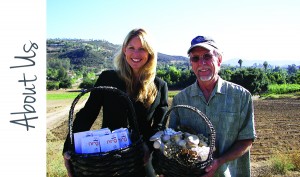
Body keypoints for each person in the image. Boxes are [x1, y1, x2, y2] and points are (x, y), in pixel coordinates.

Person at [62, 28, 168, 177]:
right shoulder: (108, 78)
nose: (136, 54)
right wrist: (69, 147)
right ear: (124, 50)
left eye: (142, 49)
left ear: (150, 53)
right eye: (131, 48)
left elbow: (159, 125)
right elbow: (88, 113)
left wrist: (149, 147)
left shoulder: (160, 86)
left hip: (141, 159)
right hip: (110, 159)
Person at [168, 35, 256, 177]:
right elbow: (172, 140)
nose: (202, 63)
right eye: (195, 58)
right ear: (191, 63)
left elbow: (247, 139)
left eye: (207, 56)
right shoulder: (180, 99)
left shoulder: (241, 96)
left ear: (219, 60)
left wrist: (220, 161)